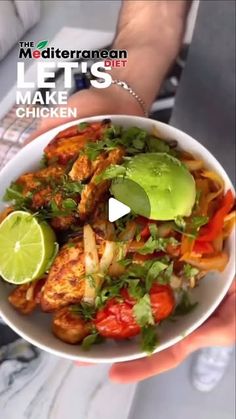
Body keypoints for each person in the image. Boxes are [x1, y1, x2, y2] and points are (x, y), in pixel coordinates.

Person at [29, 0, 235, 384]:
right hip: (217, 94)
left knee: (218, 301)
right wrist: (127, 84)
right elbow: (152, 18)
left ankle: (220, 340)